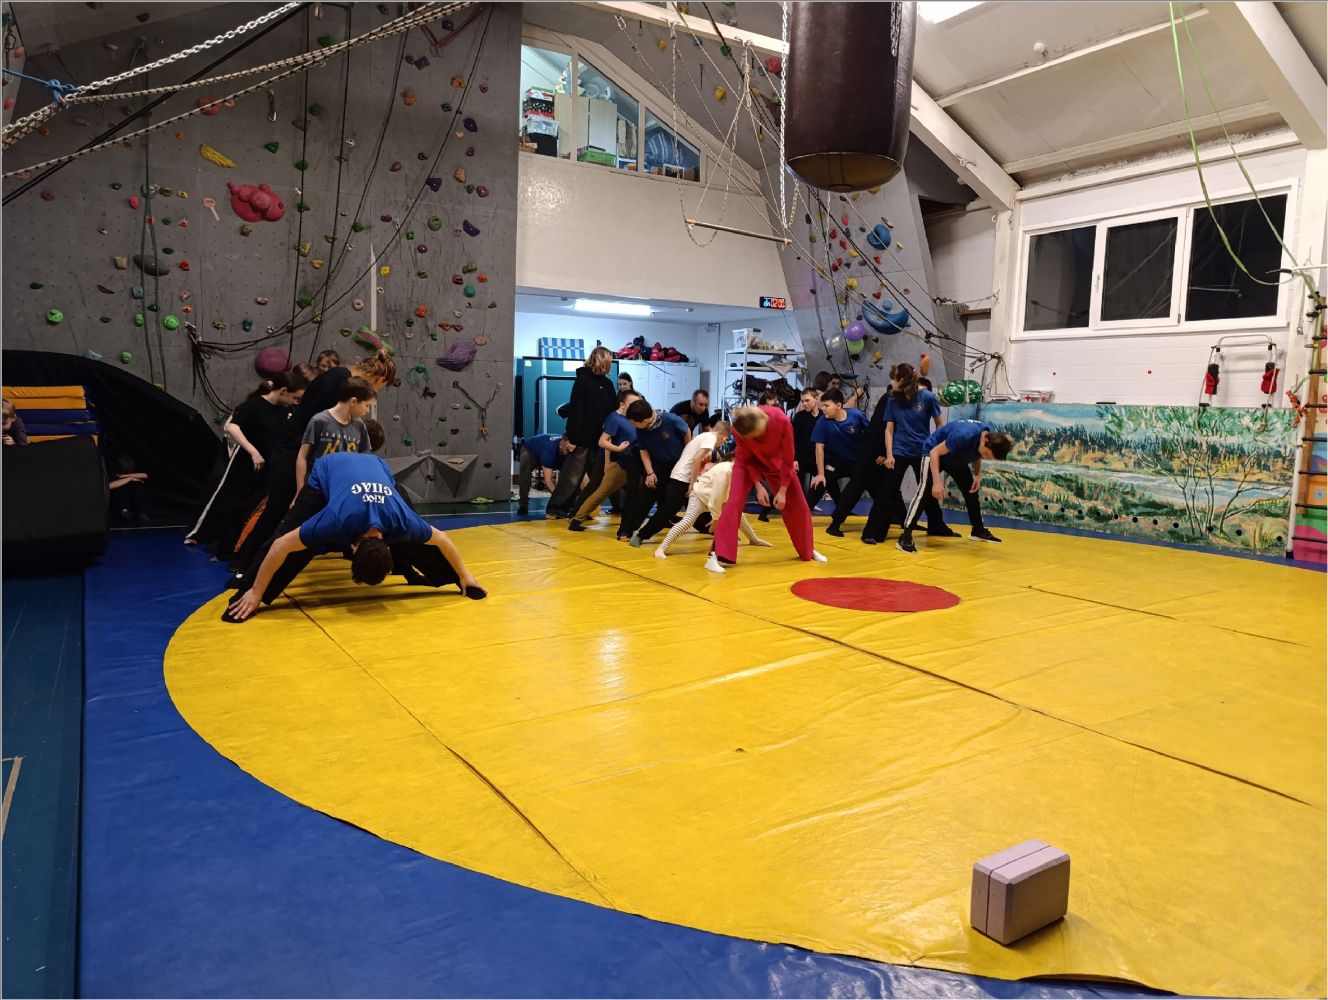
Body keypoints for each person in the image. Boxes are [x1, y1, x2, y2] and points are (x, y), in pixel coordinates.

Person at [225, 450, 486, 622]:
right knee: (290, 533)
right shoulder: (335, 520)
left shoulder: (401, 520)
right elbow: (280, 545)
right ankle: (248, 594)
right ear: (351, 548)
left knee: (418, 540)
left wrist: (465, 575)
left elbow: (441, 539)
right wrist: (256, 592)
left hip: (377, 467)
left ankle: (458, 580)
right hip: (328, 468)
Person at [231, 350, 396, 575]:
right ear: (378, 379)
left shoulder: (340, 379)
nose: (368, 405)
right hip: (294, 452)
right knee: (278, 512)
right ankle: (246, 564)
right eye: (375, 392)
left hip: (297, 450)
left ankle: (254, 562)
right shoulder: (339, 381)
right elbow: (315, 423)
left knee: (284, 513)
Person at [186, 370, 307, 554]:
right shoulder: (255, 405)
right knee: (227, 500)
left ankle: (235, 545)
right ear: (283, 391)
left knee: (248, 507)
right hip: (244, 462)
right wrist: (253, 452)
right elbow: (232, 427)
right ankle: (203, 535)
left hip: (267, 466)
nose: (296, 402)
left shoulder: (287, 411)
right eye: (295, 398)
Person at [707, 405, 826, 573]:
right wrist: (758, 485)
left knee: (799, 505)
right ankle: (716, 555)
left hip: (777, 463)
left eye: (757, 435)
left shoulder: (781, 421)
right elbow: (746, 458)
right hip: (747, 464)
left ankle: (808, 549)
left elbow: (788, 458)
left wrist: (782, 490)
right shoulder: (740, 428)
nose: (755, 439)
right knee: (733, 503)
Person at [897, 421, 1012, 553]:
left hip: (955, 457)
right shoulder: (963, 435)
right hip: (934, 453)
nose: (984, 457)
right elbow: (934, 453)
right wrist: (936, 483)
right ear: (985, 441)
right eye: (986, 454)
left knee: (971, 491)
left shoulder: (989, 435)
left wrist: (977, 475)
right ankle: (905, 536)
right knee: (924, 492)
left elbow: (977, 454)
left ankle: (978, 531)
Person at [863, 364, 946, 544]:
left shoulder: (928, 397)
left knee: (926, 490)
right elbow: (889, 430)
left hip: (922, 451)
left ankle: (938, 526)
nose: (891, 381)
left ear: (902, 380)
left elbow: (940, 424)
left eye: (893, 378)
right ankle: (873, 532)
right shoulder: (892, 399)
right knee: (886, 491)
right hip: (899, 451)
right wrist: (889, 454)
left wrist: (934, 445)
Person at [630, 417, 727, 546]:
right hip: (682, 478)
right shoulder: (710, 438)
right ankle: (641, 535)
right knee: (669, 510)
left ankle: (715, 531)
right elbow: (696, 459)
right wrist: (693, 483)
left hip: (682, 476)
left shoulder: (704, 436)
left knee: (699, 506)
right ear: (724, 438)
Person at [546, 346, 618, 518]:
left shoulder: (607, 384)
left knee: (606, 475)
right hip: (583, 437)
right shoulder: (583, 381)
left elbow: (612, 410)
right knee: (572, 477)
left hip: (602, 437)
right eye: (606, 362)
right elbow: (577, 410)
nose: (608, 366)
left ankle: (620, 505)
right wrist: (571, 437)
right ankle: (556, 508)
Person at [654, 455, 771, 559]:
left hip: (718, 499)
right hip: (700, 496)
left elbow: (726, 495)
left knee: (739, 515)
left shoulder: (740, 472)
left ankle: (753, 539)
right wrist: (716, 519)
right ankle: (661, 548)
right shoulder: (725, 471)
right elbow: (716, 496)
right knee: (688, 521)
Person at [569, 390, 642, 533]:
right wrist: (611, 459)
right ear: (622, 405)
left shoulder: (632, 419)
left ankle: (637, 519)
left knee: (643, 492)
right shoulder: (615, 418)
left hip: (632, 464)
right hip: (619, 464)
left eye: (638, 404)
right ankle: (576, 518)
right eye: (633, 404)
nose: (636, 407)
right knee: (599, 490)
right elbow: (603, 442)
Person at [623, 399, 691, 546]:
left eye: (634, 423)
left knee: (674, 504)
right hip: (659, 466)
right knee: (645, 495)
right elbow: (643, 450)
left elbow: (687, 432)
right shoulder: (641, 429)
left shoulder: (671, 420)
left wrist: (687, 457)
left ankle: (711, 528)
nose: (633, 426)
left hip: (679, 466)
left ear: (644, 420)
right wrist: (650, 473)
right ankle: (627, 530)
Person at [294, 377, 376, 495]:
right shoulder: (319, 421)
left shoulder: (360, 426)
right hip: (317, 489)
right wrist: (300, 491)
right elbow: (302, 457)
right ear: (353, 401)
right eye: (367, 405)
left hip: (345, 490)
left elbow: (365, 461)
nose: (367, 411)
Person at [809, 388, 869, 509]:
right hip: (835, 462)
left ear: (838, 405)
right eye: (822, 405)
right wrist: (820, 474)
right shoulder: (822, 421)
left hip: (857, 461)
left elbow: (871, 436)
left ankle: (894, 515)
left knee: (875, 485)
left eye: (826, 405)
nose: (823, 408)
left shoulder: (856, 415)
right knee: (820, 482)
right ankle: (802, 512)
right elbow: (819, 448)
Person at [516, 432, 567, 515]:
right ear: (561, 445)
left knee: (568, 474)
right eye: (567, 449)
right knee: (525, 469)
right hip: (530, 449)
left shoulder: (568, 447)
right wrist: (559, 501)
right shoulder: (549, 451)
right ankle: (523, 505)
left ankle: (566, 502)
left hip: (552, 450)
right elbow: (548, 481)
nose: (570, 450)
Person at [791, 388, 821, 504]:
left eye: (807, 400)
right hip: (801, 458)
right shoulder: (800, 417)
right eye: (802, 401)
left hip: (817, 458)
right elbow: (794, 439)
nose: (804, 404)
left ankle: (808, 504)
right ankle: (766, 510)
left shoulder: (823, 416)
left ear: (816, 399)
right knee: (795, 485)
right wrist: (794, 459)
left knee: (827, 483)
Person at [109, 455, 150, 523]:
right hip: (121, 496)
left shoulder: (132, 472)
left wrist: (127, 477)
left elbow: (145, 475)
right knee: (122, 487)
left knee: (136, 484)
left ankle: (141, 512)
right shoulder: (115, 474)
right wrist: (129, 479)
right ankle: (124, 511)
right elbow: (110, 485)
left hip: (134, 494)